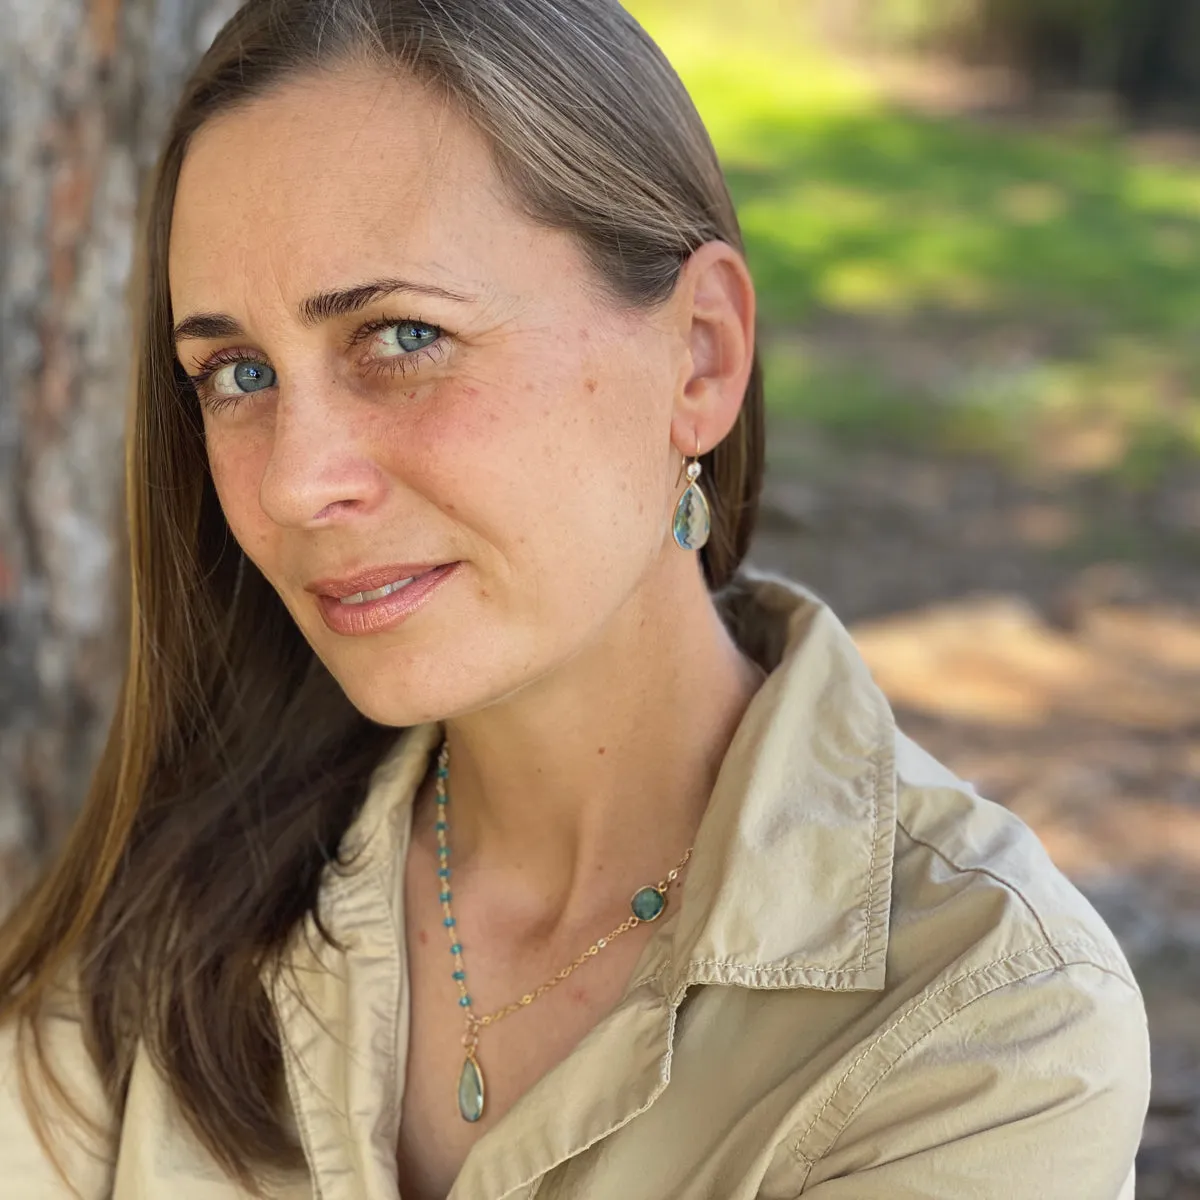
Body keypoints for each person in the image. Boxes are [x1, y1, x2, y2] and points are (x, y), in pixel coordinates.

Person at [0, 1, 1150, 1197]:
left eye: (402, 336)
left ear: (698, 356)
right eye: (236, 374)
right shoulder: (171, 917)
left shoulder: (982, 1024)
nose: (295, 482)